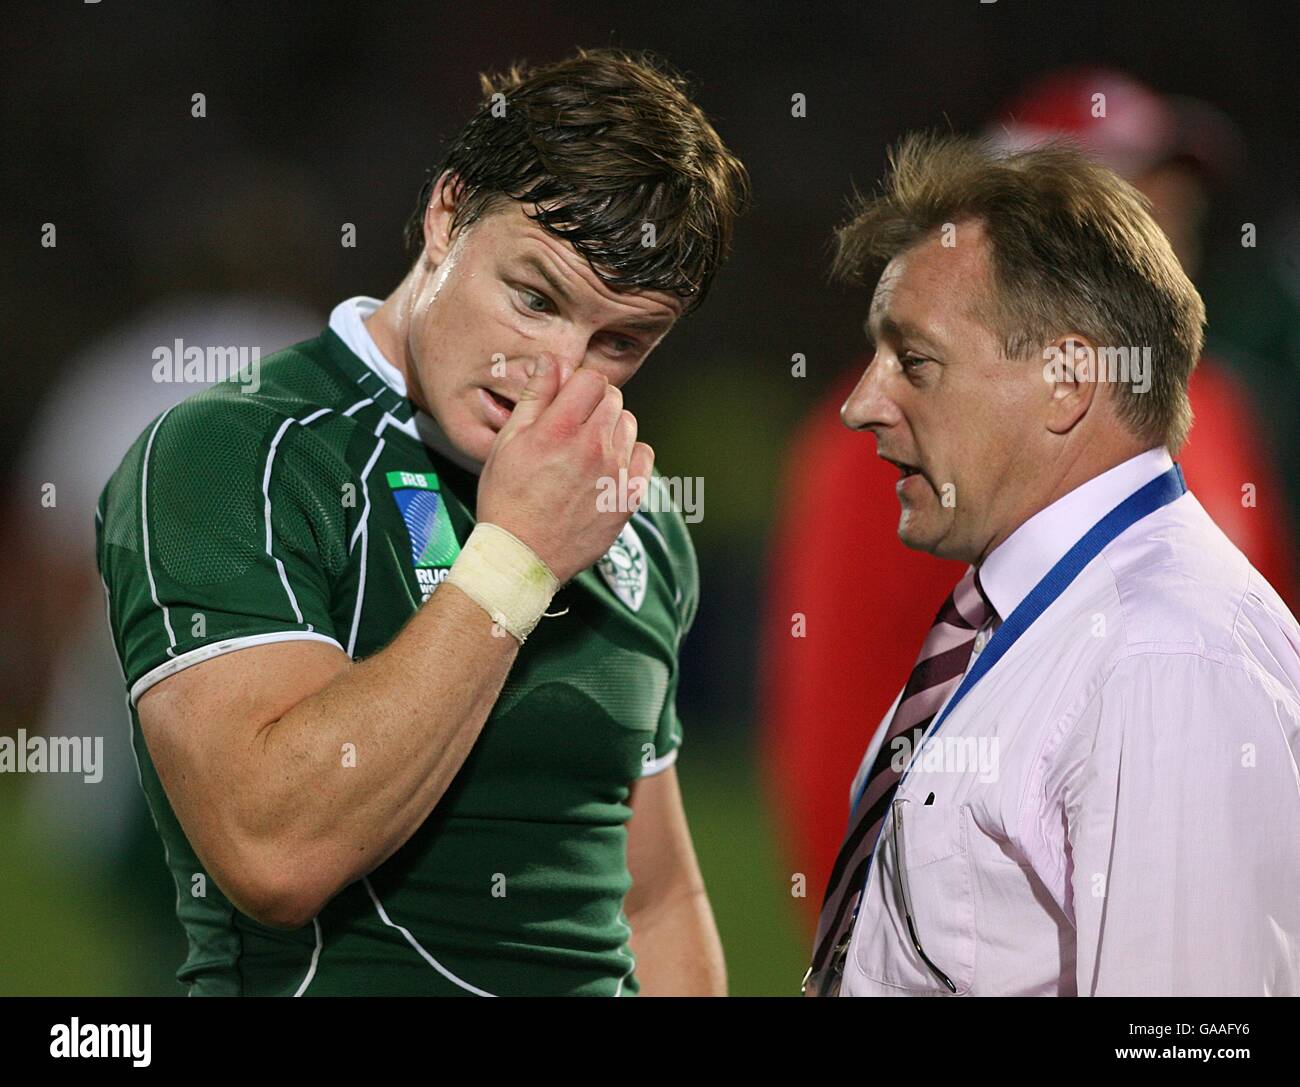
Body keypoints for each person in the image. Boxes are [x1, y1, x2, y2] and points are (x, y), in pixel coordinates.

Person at [96, 48, 749, 996]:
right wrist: (520, 557)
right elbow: (273, 848)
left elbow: (651, 902)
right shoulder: (234, 456)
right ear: (447, 217)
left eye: (619, 342)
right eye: (533, 297)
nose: (557, 372)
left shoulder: (634, 519)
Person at [761, 71, 1298, 936]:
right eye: (1115, 206)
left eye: (1169, 209)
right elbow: (837, 723)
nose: (1156, 237)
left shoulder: (1223, 408)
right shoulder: (882, 440)